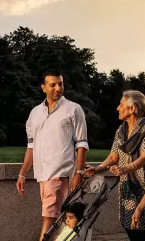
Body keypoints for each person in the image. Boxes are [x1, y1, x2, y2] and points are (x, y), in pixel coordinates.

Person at [16, 69, 89, 241]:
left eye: (60, 84)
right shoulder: (35, 113)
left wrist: (79, 173)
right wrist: (22, 173)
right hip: (42, 174)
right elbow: (31, 146)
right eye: (53, 84)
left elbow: (82, 144)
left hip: (60, 172)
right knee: (59, 219)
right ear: (43, 87)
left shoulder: (73, 109)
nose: (58, 88)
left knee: (49, 217)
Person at [85, 90, 145, 241]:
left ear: (132, 108)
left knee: (144, 229)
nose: (117, 108)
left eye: (121, 105)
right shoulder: (121, 130)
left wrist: (124, 169)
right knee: (129, 225)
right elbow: (113, 156)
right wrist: (98, 169)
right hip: (127, 187)